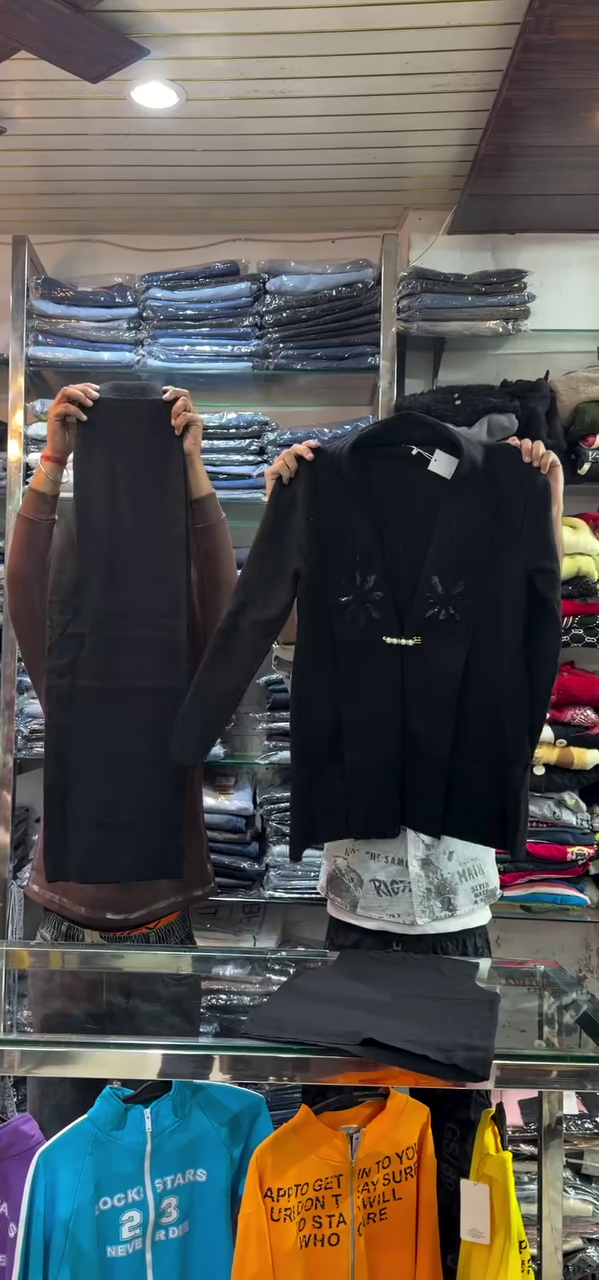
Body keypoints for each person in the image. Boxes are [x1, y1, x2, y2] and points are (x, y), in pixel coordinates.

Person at [263, 429, 564, 1280]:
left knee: (451, 1156)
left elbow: (537, 625)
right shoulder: (336, 506)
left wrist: (540, 504)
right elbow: (288, 634)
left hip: (457, 922)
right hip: (357, 918)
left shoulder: (491, 509)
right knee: (348, 1163)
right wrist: (287, 513)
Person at [7, 382, 237, 1136]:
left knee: (164, 1162)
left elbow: (222, 598)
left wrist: (193, 471)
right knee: (63, 1152)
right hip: (67, 934)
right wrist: (52, 462)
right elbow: (25, 583)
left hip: (160, 933)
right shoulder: (63, 663)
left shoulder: (186, 665)